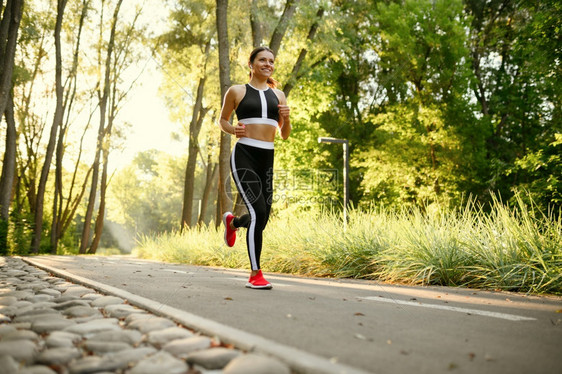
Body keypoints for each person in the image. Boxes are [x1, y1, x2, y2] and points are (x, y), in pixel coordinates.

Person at [218, 46, 291, 289]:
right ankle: (255, 274)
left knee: (262, 218)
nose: (267, 64)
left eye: (271, 61)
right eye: (262, 59)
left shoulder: (279, 96)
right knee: (258, 211)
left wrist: (287, 118)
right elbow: (223, 120)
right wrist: (232, 129)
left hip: (267, 158)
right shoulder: (236, 91)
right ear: (251, 64)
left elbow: (285, 135)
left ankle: (234, 223)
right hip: (244, 154)